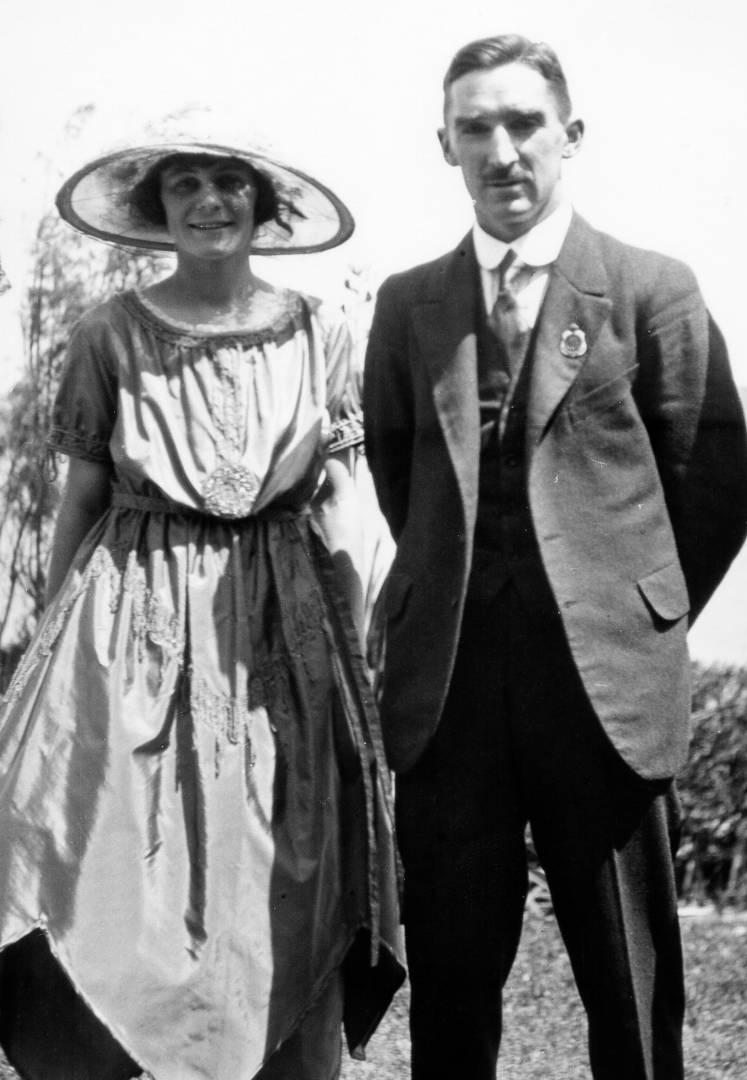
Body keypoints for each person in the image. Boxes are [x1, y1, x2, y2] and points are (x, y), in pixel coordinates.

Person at [363, 33, 747, 1080]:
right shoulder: (409, 305)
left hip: (604, 701)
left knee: (630, 993)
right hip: (448, 706)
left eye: (522, 123)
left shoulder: (648, 289)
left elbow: (713, 490)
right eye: (473, 128)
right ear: (442, 145)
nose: (500, 151)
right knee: (450, 993)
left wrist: (633, 610)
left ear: (569, 135)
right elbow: (400, 480)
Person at [0, 111, 404, 1080]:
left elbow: (347, 503)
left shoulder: (321, 333)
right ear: (159, 211)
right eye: (185, 186)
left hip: (278, 631)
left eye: (229, 185)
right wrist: (54, 648)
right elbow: (84, 499)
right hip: (127, 624)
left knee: (277, 853)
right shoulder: (111, 335)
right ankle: (102, 1047)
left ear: (262, 209)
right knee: (99, 847)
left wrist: (348, 649)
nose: (208, 202)